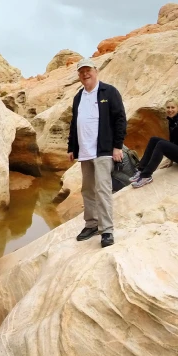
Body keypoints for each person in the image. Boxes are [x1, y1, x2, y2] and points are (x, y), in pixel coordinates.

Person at [67, 58, 127, 248]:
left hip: (102, 149)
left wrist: (117, 146)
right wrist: (72, 147)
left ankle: (107, 230)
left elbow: (120, 119)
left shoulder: (108, 92)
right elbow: (74, 122)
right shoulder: (79, 96)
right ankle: (91, 224)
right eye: (81, 71)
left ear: (96, 70)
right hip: (84, 151)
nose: (85, 74)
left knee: (102, 189)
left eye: (88, 70)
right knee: (87, 190)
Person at [131, 97, 178, 188]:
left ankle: (146, 176)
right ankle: (141, 170)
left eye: (173, 107)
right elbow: (174, 139)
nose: (170, 110)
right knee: (154, 140)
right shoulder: (172, 120)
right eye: (168, 108)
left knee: (161, 144)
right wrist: (171, 158)